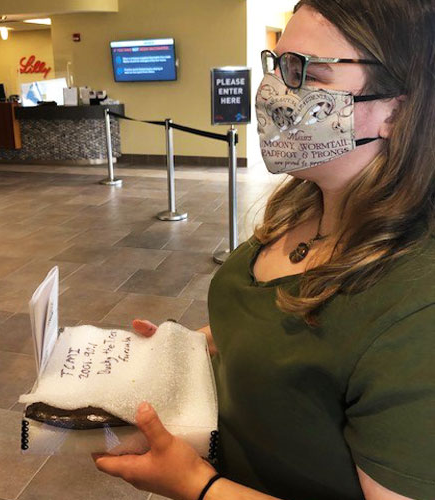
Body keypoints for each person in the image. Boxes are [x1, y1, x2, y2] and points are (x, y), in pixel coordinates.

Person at [92, 0, 435, 499]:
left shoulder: (416, 303)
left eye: (309, 73)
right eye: (277, 64)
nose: (274, 93)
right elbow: (286, 335)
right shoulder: (302, 201)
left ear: (397, 111)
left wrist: (196, 486)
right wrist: (194, 345)